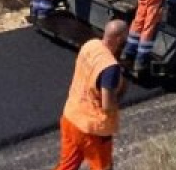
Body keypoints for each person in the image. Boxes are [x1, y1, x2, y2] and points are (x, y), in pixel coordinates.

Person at [53, 19, 128, 170]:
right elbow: (107, 105)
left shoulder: (90, 45)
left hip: (70, 117)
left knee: (67, 166)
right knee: (102, 167)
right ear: (119, 39)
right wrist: (119, 95)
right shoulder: (109, 67)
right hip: (92, 129)